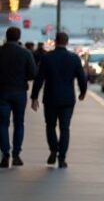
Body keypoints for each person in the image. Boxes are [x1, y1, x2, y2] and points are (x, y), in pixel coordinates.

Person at [30, 32, 87, 168]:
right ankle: (62, 158)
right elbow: (81, 77)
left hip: (50, 98)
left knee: (50, 126)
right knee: (65, 128)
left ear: (55, 41)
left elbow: (39, 78)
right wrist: (82, 92)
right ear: (67, 42)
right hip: (67, 99)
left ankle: (53, 150)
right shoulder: (74, 58)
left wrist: (34, 96)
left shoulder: (47, 58)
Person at [0, 26, 37, 168]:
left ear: (7, 36)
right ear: (18, 37)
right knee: (19, 123)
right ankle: (16, 155)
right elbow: (33, 73)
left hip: (2, 92)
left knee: (2, 124)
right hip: (19, 92)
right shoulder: (26, 53)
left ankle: (5, 154)